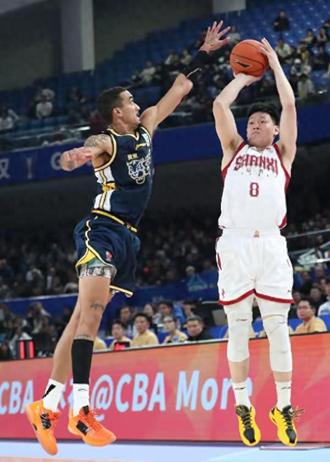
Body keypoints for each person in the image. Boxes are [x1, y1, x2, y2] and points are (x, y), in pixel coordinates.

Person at [24, 22, 231, 456]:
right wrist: (77, 155)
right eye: (131, 101)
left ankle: (47, 405)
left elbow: (180, 87)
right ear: (117, 112)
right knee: (92, 312)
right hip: (100, 227)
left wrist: (204, 52)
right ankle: (81, 410)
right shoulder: (107, 141)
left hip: (127, 238)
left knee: (81, 319)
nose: (138, 104)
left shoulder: (147, 127)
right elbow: (88, 146)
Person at [212, 37, 300, 447]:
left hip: (271, 246)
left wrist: (275, 66)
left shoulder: (283, 155)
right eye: (251, 122)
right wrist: (243, 78)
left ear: (276, 130)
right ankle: (243, 405)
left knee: (278, 328)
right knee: (238, 328)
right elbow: (219, 106)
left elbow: (290, 105)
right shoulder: (233, 150)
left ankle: (283, 407)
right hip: (235, 243)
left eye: (263, 121)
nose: (255, 124)